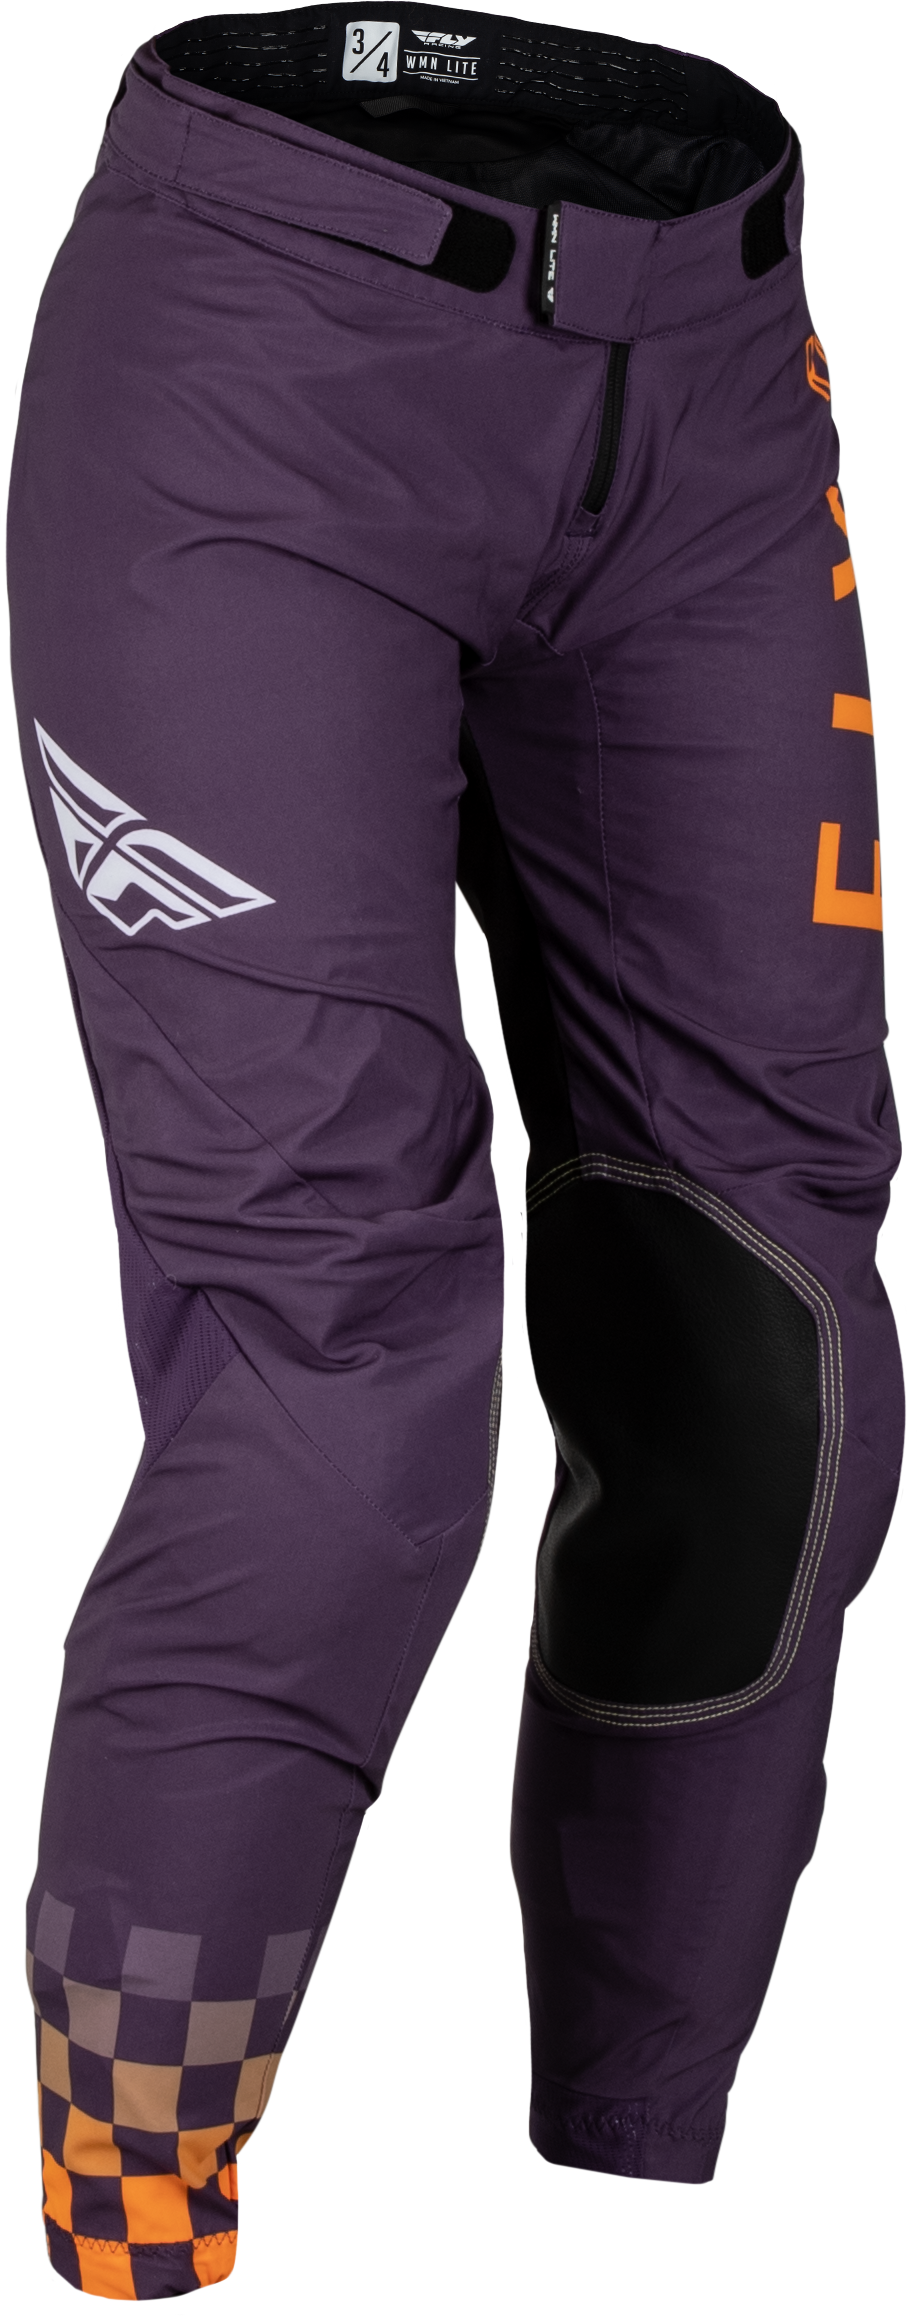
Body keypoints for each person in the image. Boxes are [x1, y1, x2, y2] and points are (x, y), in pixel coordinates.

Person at [6, 6, 905, 2310]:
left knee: (764, 1347)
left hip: (708, 362)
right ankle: (137, 2263)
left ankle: (627, 2230)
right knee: (340, 1359)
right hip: (260, 367)